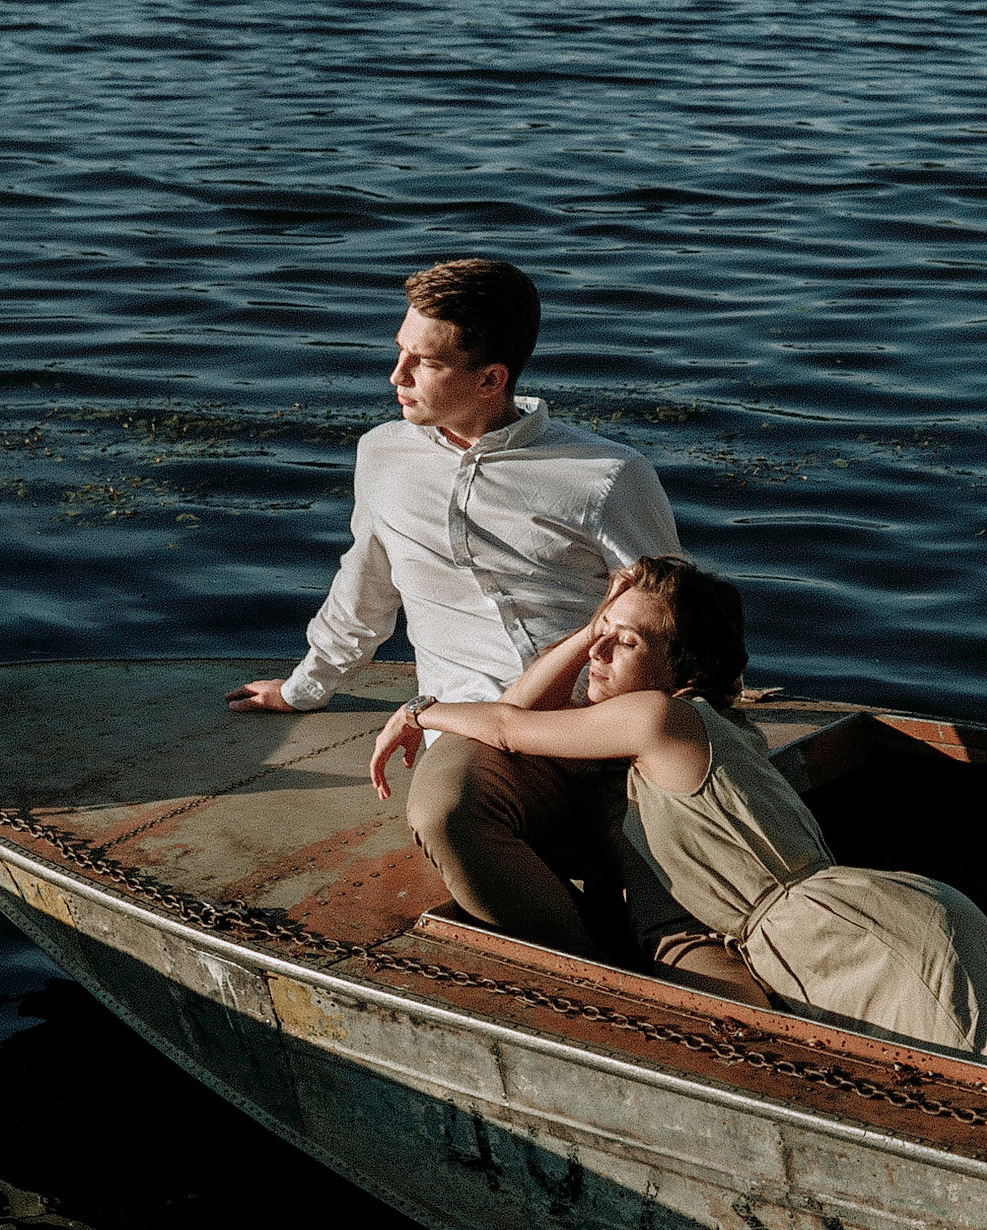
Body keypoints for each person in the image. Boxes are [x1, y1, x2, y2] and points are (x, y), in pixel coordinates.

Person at [369, 556, 987, 1077]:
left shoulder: (660, 718)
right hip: (888, 919)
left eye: (625, 642)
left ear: (680, 665)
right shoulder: (705, 726)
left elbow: (511, 727)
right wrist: (596, 626)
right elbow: (522, 714)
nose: (599, 654)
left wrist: (418, 711)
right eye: (598, 639)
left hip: (852, 942)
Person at [227, 257, 682, 957]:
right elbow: (365, 589)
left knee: (669, 890)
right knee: (443, 811)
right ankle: (587, 967)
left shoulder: (608, 477)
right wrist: (303, 688)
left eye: (422, 362)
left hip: (601, 728)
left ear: (491, 378)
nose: (395, 377)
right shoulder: (382, 457)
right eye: (398, 352)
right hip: (471, 727)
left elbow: (675, 619)